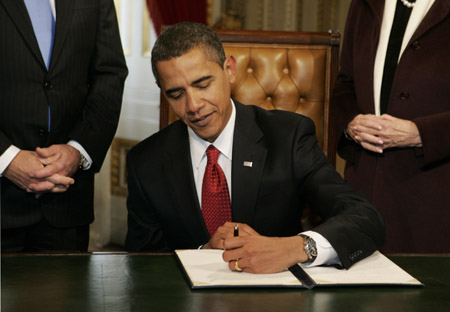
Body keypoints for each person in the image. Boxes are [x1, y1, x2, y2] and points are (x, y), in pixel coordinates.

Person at [125, 22, 384, 273]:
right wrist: (202, 252)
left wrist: (296, 248)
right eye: (176, 94)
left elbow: (364, 217)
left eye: (203, 84)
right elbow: (142, 264)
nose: (193, 105)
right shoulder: (146, 162)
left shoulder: (288, 137)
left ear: (230, 70)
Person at [0, 0, 128, 252]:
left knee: (69, 292)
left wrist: (78, 150)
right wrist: (6, 158)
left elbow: (109, 74)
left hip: (67, 203)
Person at [333, 0, 450, 253]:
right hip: (362, 195)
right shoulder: (364, 4)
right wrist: (351, 123)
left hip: (435, 202)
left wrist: (421, 134)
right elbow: (345, 85)